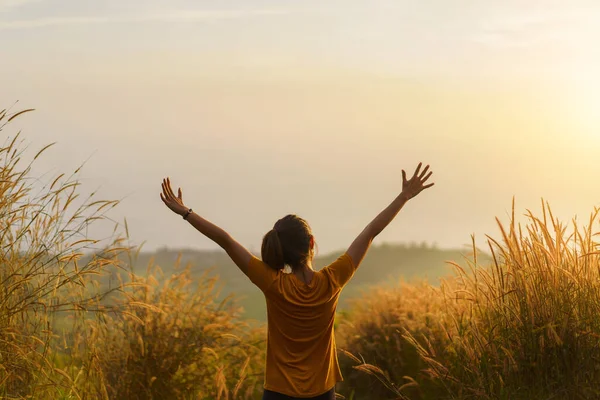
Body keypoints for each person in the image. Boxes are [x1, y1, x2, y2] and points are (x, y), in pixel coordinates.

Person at [160, 163, 434, 399]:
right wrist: (404, 196)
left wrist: (186, 212)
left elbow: (226, 241)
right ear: (312, 243)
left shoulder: (273, 283)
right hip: (322, 393)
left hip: (278, 394)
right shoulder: (332, 280)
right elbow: (371, 232)